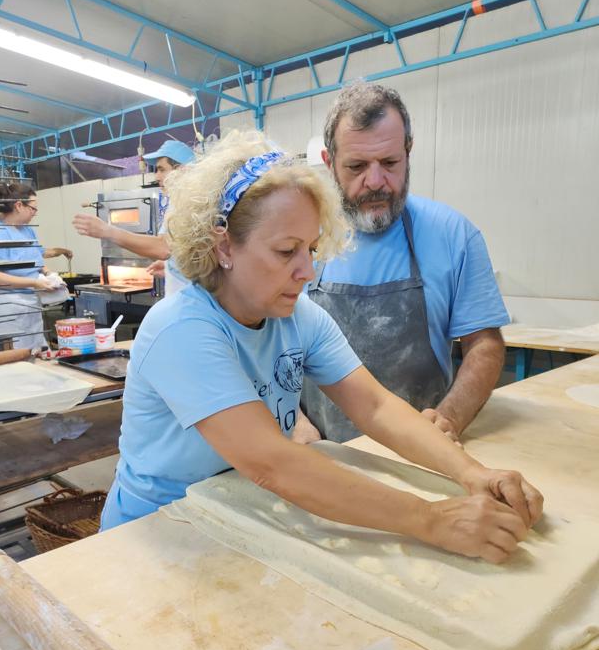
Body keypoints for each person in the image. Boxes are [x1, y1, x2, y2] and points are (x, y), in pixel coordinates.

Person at [100, 129, 543, 566]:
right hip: (156, 535)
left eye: (310, 249)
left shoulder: (297, 317)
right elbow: (273, 463)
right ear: (224, 246)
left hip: (237, 514)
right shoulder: (181, 329)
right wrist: (432, 520)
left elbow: (375, 406)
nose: (307, 271)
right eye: (286, 251)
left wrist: (472, 473)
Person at [298, 82, 510, 445]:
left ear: (408, 152)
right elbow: (266, 344)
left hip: (422, 450)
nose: (375, 181)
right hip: (319, 451)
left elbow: (485, 345)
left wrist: (450, 417)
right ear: (329, 162)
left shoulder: (453, 235)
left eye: (390, 163)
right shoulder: (297, 236)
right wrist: (295, 422)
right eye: (357, 166)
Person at [72, 139, 195, 295]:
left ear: (182, 170)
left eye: (162, 170)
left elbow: (163, 247)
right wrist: (172, 267)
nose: (157, 177)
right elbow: (182, 253)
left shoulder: (192, 205)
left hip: (192, 300)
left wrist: (107, 231)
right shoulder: (177, 203)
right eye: (156, 170)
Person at [0, 183, 67, 349]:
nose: (35, 213)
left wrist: (49, 274)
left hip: (31, 301)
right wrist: (34, 283)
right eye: (33, 209)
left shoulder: (27, 230)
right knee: (17, 354)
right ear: (18, 205)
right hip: (8, 305)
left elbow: (37, 260)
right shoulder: (1, 232)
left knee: (36, 349)